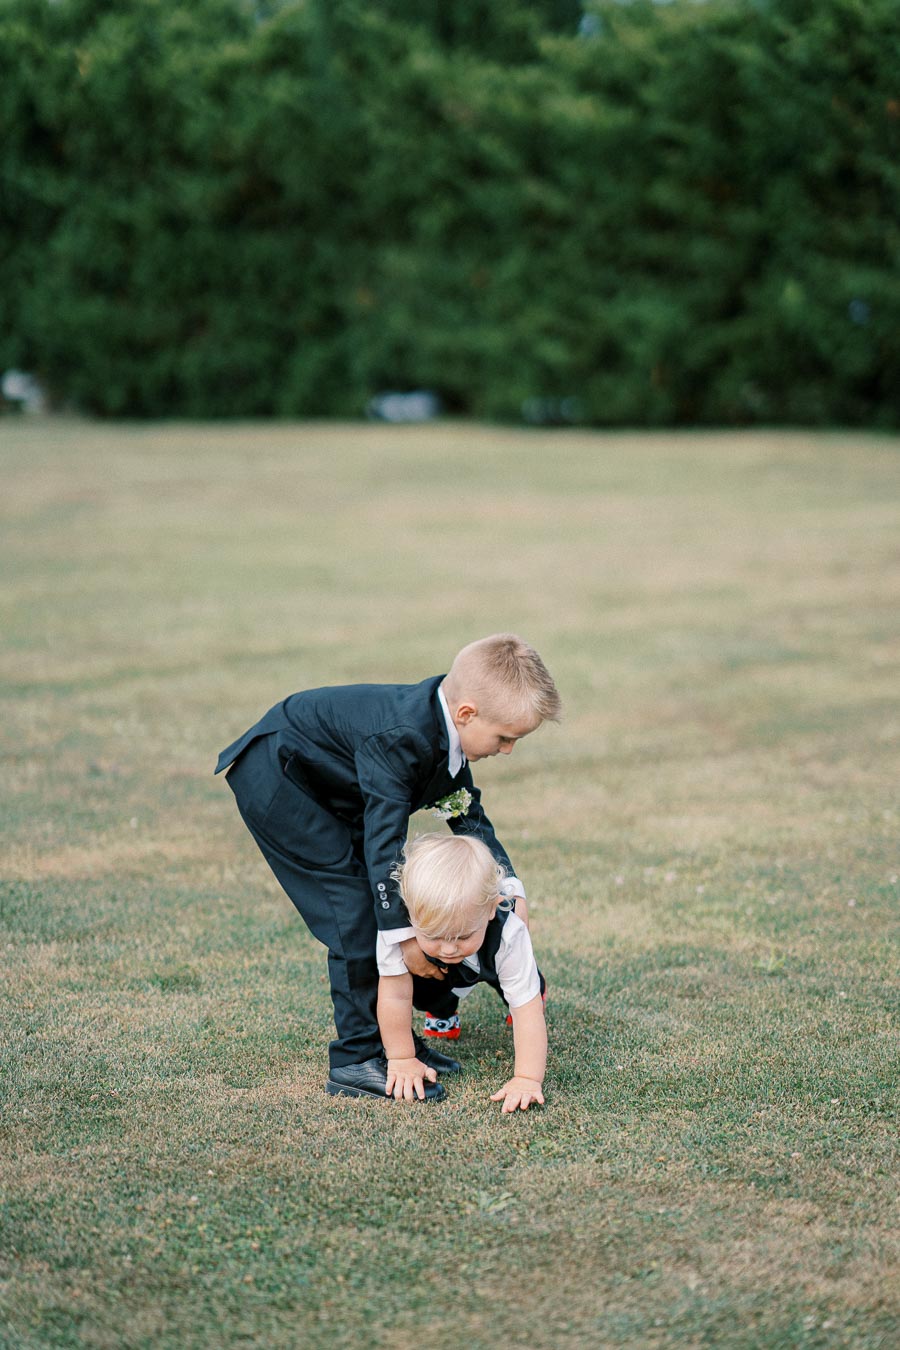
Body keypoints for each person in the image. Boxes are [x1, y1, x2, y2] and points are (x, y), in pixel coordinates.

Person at [214, 634, 561, 1099]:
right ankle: (357, 1058)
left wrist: (509, 888)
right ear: (467, 714)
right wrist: (403, 937)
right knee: (354, 913)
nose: (507, 750)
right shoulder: (405, 738)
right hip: (280, 778)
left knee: (371, 905)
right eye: (504, 738)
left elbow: (468, 815)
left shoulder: (445, 736)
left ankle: (397, 1045)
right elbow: (385, 844)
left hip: (333, 788)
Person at [378, 833, 548, 1111]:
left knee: (522, 989)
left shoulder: (509, 934)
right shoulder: (396, 932)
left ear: (492, 908)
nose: (448, 948)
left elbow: (526, 1010)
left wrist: (527, 1078)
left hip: (491, 961)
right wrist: (401, 1058)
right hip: (437, 974)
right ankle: (443, 1008)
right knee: (427, 985)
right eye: (434, 934)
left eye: (461, 935)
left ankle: (539, 984)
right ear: (409, 913)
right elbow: (394, 996)